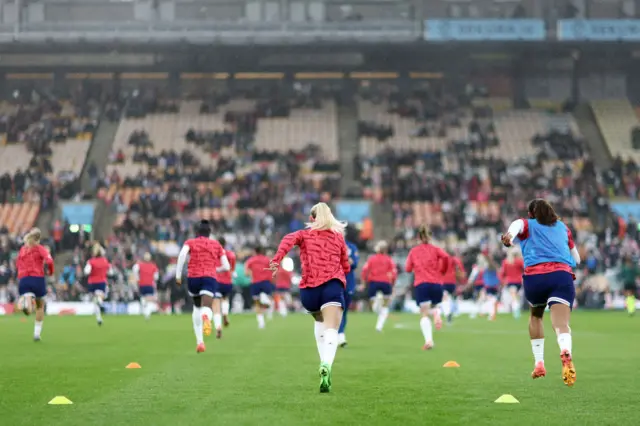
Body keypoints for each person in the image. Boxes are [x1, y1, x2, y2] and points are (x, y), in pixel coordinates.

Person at [267, 202, 350, 393]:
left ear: (311, 219)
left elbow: (287, 239)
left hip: (309, 290)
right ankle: (326, 365)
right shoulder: (338, 237)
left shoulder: (303, 235)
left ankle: (323, 362)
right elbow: (345, 265)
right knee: (332, 329)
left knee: (320, 323)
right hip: (331, 285)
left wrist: (276, 260)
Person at [501, 199, 580, 387]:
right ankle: (565, 350)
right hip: (561, 275)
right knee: (561, 323)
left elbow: (517, 225)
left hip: (535, 277)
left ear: (531, 213)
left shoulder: (528, 224)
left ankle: (539, 363)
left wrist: (510, 236)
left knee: (536, 317)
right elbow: (576, 258)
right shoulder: (563, 227)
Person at [176, 220, 230, 353]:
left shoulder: (190, 242)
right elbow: (227, 266)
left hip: (193, 277)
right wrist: (215, 269)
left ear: (197, 232)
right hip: (209, 277)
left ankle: (200, 342)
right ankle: (207, 317)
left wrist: (178, 276)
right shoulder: (217, 245)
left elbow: (182, 255)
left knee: (196, 307)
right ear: (210, 233)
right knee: (207, 307)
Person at [405, 225, 448, 350]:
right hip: (436, 283)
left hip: (421, 283)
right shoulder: (435, 249)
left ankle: (429, 340)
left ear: (418, 237)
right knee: (435, 306)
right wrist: (442, 270)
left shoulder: (414, 251)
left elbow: (408, 269)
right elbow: (445, 257)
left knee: (424, 314)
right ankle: (436, 313)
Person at [16, 228, 54, 341]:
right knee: (39, 307)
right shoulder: (40, 249)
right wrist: (51, 272)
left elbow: (17, 264)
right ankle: (36, 334)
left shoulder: (22, 249)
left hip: (23, 279)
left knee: (28, 310)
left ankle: (26, 303)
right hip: (37, 278)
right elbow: (50, 261)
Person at [361, 240, 396, 332]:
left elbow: (365, 270)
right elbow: (393, 272)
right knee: (385, 306)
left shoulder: (371, 258)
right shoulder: (389, 259)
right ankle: (379, 326)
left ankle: (377, 304)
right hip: (385, 282)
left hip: (373, 282)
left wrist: (364, 282)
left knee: (374, 306)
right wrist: (393, 283)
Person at [338, 226, 359, 347]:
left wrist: (347, 258)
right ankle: (339, 335)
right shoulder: (330, 246)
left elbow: (354, 263)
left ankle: (339, 333)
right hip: (335, 281)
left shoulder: (351, 247)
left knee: (344, 310)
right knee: (335, 309)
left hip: (348, 282)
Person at [245, 246, 273, 329]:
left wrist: (252, 274)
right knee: (267, 298)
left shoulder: (251, 260)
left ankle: (261, 322)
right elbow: (274, 269)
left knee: (257, 303)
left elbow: (246, 272)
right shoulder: (267, 259)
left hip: (255, 283)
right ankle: (266, 302)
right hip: (266, 282)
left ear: (255, 251)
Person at [84, 243, 112, 327]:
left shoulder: (90, 261)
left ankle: (99, 318)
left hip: (91, 282)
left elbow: (86, 271)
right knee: (103, 295)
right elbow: (111, 272)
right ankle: (100, 301)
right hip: (101, 282)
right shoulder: (105, 261)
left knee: (95, 301)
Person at [468, 254, 500, 321]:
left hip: (485, 285)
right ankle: (484, 312)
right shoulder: (480, 267)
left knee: (485, 299)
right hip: (484, 285)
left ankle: (483, 312)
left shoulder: (484, 266)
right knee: (485, 299)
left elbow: (472, 277)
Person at [133, 252, 159, 320]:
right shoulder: (153, 266)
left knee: (143, 297)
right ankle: (147, 312)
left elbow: (134, 269)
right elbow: (156, 277)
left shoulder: (140, 265)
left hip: (142, 284)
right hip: (150, 284)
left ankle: (144, 305)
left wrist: (137, 278)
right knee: (150, 299)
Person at [216, 237, 236, 328]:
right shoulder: (231, 255)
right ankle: (225, 314)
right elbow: (232, 269)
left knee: (215, 302)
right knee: (225, 298)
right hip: (227, 281)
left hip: (216, 280)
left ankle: (218, 324)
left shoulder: (214, 254)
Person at [500, 248, 525, 319]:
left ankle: (516, 311)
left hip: (510, 282)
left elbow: (502, 273)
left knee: (514, 297)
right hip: (519, 282)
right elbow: (525, 269)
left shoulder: (505, 262)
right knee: (515, 297)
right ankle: (516, 310)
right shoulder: (519, 261)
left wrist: (503, 281)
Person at [441, 251, 465, 324]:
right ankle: (454, 310)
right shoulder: (456, 260)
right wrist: (460, 278)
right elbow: (461, 272)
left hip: (443, 281)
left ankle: (448, 314)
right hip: (452, 282)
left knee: (444, 298)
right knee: (452, 296)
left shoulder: (441, 259)